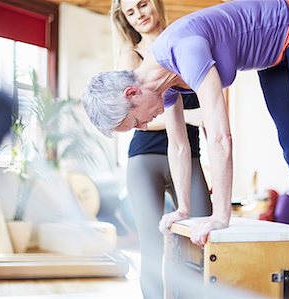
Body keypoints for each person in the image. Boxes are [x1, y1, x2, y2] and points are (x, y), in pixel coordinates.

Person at [82, 1, 289, 298]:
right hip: (271, 56)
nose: (143, 127)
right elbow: (179, 146)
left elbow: (219, 136)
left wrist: (220, 215)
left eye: (135, 122)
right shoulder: (159, 85)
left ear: (132, 93)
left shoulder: (184, 51)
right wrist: (183, 208)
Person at [109, 0, 212, 298]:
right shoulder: (131, 57)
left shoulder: (185, 43)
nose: (139, 14)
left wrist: (216, 173)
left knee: (200, 242)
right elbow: (132, 119)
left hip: (190, 157)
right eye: (130, 12)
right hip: (146, 161)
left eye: (142, 4)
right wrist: (189, 117)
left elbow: (210, 111)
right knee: (153, 250)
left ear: (155, 3)